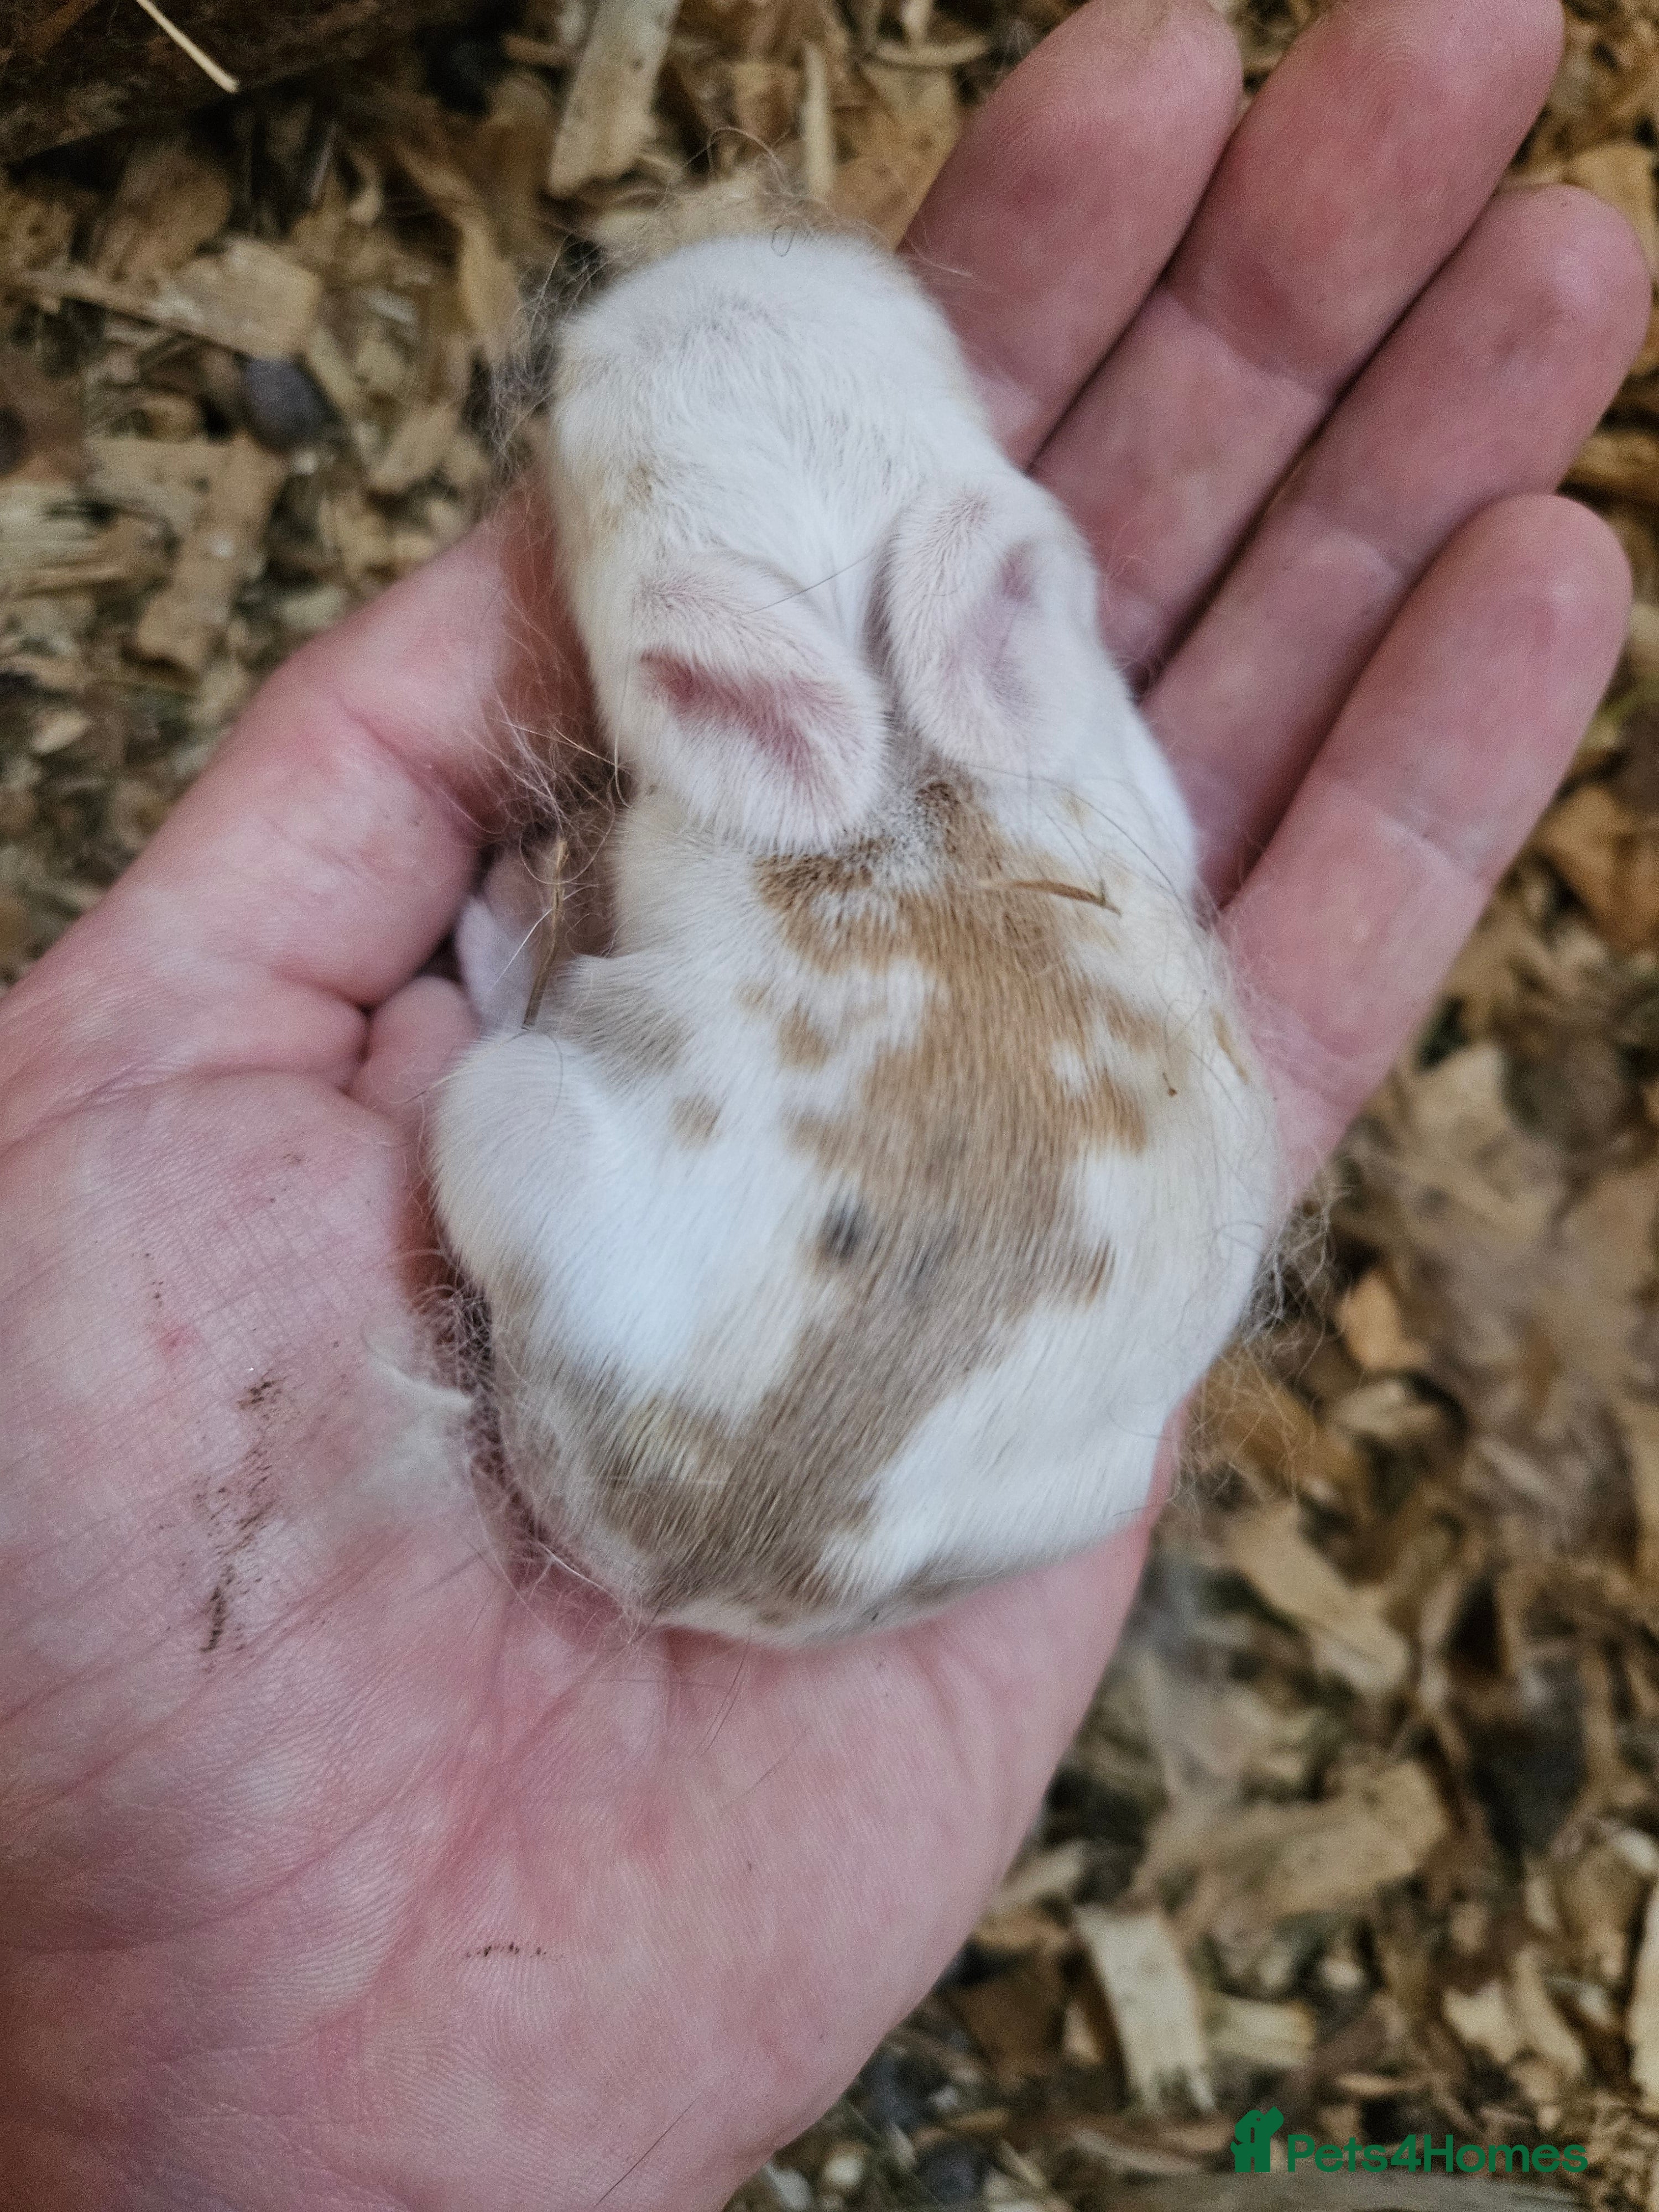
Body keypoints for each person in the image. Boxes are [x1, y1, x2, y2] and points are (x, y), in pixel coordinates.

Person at [0, 0, 1645, 2201]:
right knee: (1061, 1198)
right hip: (964, 1497)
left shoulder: (713, 802)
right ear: (999, 593)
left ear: (710, 681)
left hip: (702, 1406)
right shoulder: (1075, 758)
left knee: (551, 1151)